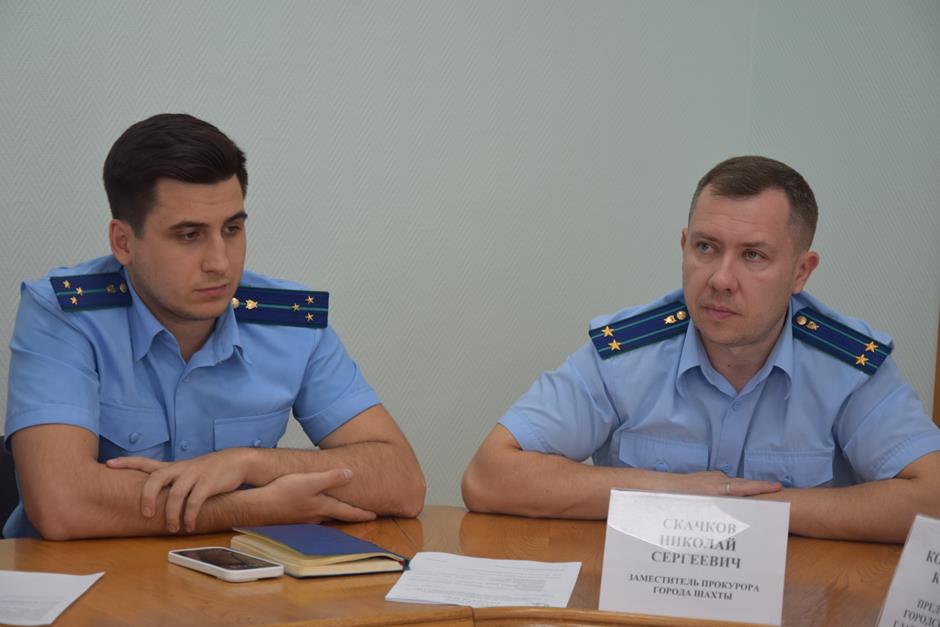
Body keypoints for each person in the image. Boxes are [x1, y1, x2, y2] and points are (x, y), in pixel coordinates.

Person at [462, 155, 940, 543]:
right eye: (706, 248)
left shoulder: (846, 365)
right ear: (684, 245)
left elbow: (933, 499)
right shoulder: (627, 354)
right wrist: (673, 493)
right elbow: (489, 476)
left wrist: (752, 509)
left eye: (753, 255)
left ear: (801, 271)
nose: (721, 279)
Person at [4, 113, 425, 540]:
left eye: (232, 228)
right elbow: (60, 503)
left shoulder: (290, 322)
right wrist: (253, 508)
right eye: (189, 235)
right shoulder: (64, 315)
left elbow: (403, 483)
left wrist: (248, 463)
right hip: (86, 577)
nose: (220, 263)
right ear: (123, 243)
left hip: (237, 579)